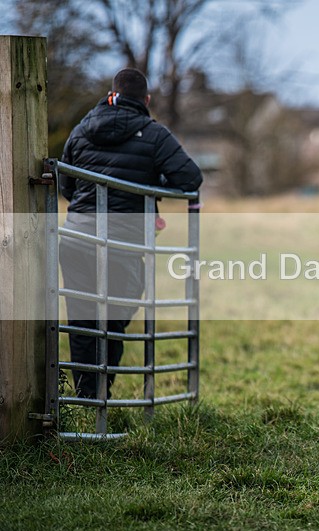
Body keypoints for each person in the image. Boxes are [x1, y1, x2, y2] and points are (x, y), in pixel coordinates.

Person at [59, 67, 203, 399]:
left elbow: (66, 184)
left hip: (78, 237)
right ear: (146, 100)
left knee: (82, 319)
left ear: (113, 94)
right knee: (116, 315)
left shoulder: (82, 130)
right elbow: (190, 178)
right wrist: (149, 187)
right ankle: (101, 387)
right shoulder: (154, 134)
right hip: (124, 242)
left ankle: (87, 392)